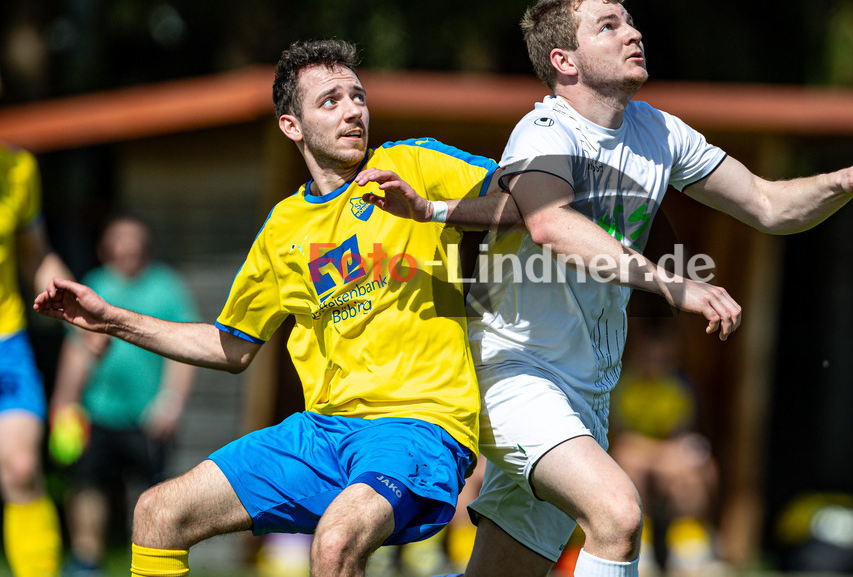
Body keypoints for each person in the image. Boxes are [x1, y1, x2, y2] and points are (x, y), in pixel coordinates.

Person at [453, 0, 853, 577]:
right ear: (564, 60)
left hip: (585, 389)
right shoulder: (545, 131)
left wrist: (839, 181)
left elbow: (769, 205)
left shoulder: (657, 131)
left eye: (630, 20)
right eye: (607, 26)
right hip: (519, 373)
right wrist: (675, 284)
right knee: (616, 515)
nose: (632, 32)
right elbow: (550, 224)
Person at [33, 38, 518, 577]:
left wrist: (430, 211)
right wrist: (112, 320)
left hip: (421, 426)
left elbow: (528, 196)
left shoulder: (413, 164)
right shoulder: (283, 228)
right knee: (158, 512)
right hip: (323, 434)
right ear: (293, 126)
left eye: (357, 96)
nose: (353, 109)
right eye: (330, 101)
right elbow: (231, 347)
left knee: (335, 542)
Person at [49, 216, 200, 575]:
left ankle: (150, 561)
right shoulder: (94, 285)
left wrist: (171, 403)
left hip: (148, 416)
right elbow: (76, 348)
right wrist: (64, 401)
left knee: (154, 491)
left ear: (145, 245)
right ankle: (87, 560)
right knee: (87, 485)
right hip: (97, 411)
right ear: (106, 247)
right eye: (120, 240)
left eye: (134, 240)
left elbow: (188, 350)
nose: (128, 247)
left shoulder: (166, 286)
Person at [0, 143, 73, 576]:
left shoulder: (18, 168)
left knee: (22, 467)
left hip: (6, 341)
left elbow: (36, 254)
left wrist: (71, 295)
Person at [608, 318, 720, 575]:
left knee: (694, 471)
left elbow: (682, 436)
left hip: (664, 456)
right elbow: (620, 438)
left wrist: (666, 457)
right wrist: (659, 456)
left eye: (662, 356)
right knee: (631, 463)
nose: (655, 362)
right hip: (634, 455)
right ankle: (639, 547)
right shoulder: (624, 383)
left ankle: (689, 547)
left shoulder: (679, 385)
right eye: (648, 355)